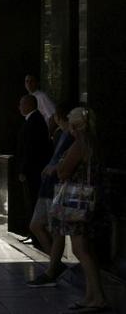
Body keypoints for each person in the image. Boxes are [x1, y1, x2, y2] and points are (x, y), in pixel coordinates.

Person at [52, 107, 109, 312]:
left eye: (69, 123)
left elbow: (64, 171)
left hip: (78, 204)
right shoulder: (94, 143)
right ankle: (91, 295)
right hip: (93, 202)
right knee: (87, 249)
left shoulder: (79, 144)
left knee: (80, 248)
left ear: (75, 125)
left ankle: (97, 297)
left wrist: (58, 166)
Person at [26, 102, 75, 287]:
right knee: (36, 225)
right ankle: (55, 265)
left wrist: (54, 168)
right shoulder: (61, 135)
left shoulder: (70, 136)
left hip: (57, 187)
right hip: (48, 186)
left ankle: (52, 268)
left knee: (55, 230)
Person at [16, 94, 53, 241]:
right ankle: (32, 233)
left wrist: (23, 170)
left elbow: (30, 149)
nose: (19, 107)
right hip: (33, 170)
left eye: (21, 104)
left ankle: (35, 234)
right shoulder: (33, 120)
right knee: (30, 200)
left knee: (32, 200)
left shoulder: (34, 121)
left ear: (28, 105)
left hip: (33, 171)